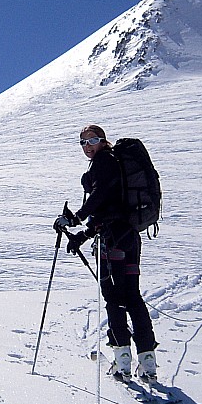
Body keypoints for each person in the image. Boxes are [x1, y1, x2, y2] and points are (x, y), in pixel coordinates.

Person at [53, 124, 159, 382]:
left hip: (111, 242)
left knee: (113, 297)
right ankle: (148, 361)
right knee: (132, 296)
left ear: (103, 141)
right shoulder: (115, 163)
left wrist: (75, 219)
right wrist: (82, 234)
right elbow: (108, 211)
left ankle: (122, 359)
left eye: (93, 140)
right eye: (83, 143)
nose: (88, 146)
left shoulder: (103, 162)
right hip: (129, 237)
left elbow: (100, 198)